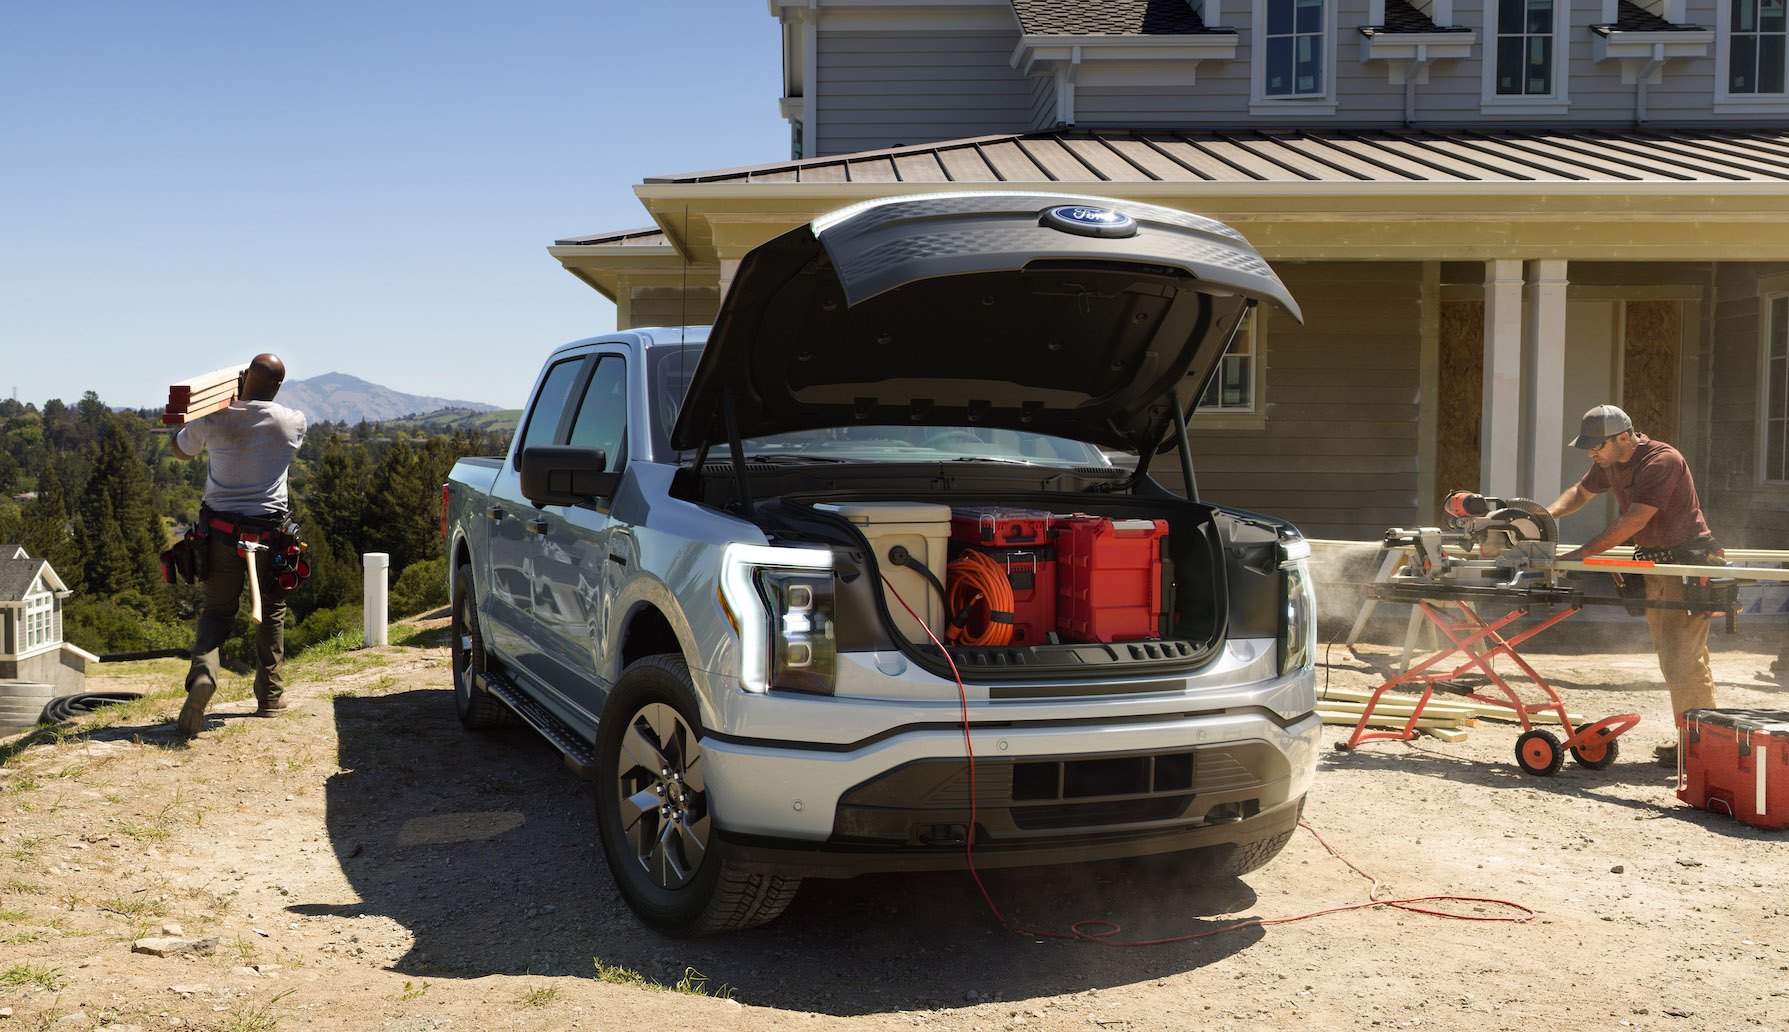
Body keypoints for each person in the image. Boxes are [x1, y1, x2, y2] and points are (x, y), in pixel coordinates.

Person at [1546, 404, 1721, 766]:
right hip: (1658, 564)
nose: (1593, 454)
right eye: (1589, 448)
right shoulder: (1609, 461)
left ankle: (1700, 745)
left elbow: (1634, 520)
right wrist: (1545, 515)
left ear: (1623, 437)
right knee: (1678, 657)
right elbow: (1580, 492)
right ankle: (1698, 739)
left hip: (1686, 564)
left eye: (1598, 447)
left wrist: (1583, 553)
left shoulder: (1662, 461)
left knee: (1680, 659)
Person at [169, 354, 307, 735]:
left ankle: (203, 676)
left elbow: (180, 451)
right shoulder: (292, 421)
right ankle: (270, 696)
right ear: (277, 386)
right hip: (269, 534)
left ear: (243, 378)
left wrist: (216, 406)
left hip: (219, 533)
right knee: (271, 611)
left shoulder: (214, 419)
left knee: (216, 613)